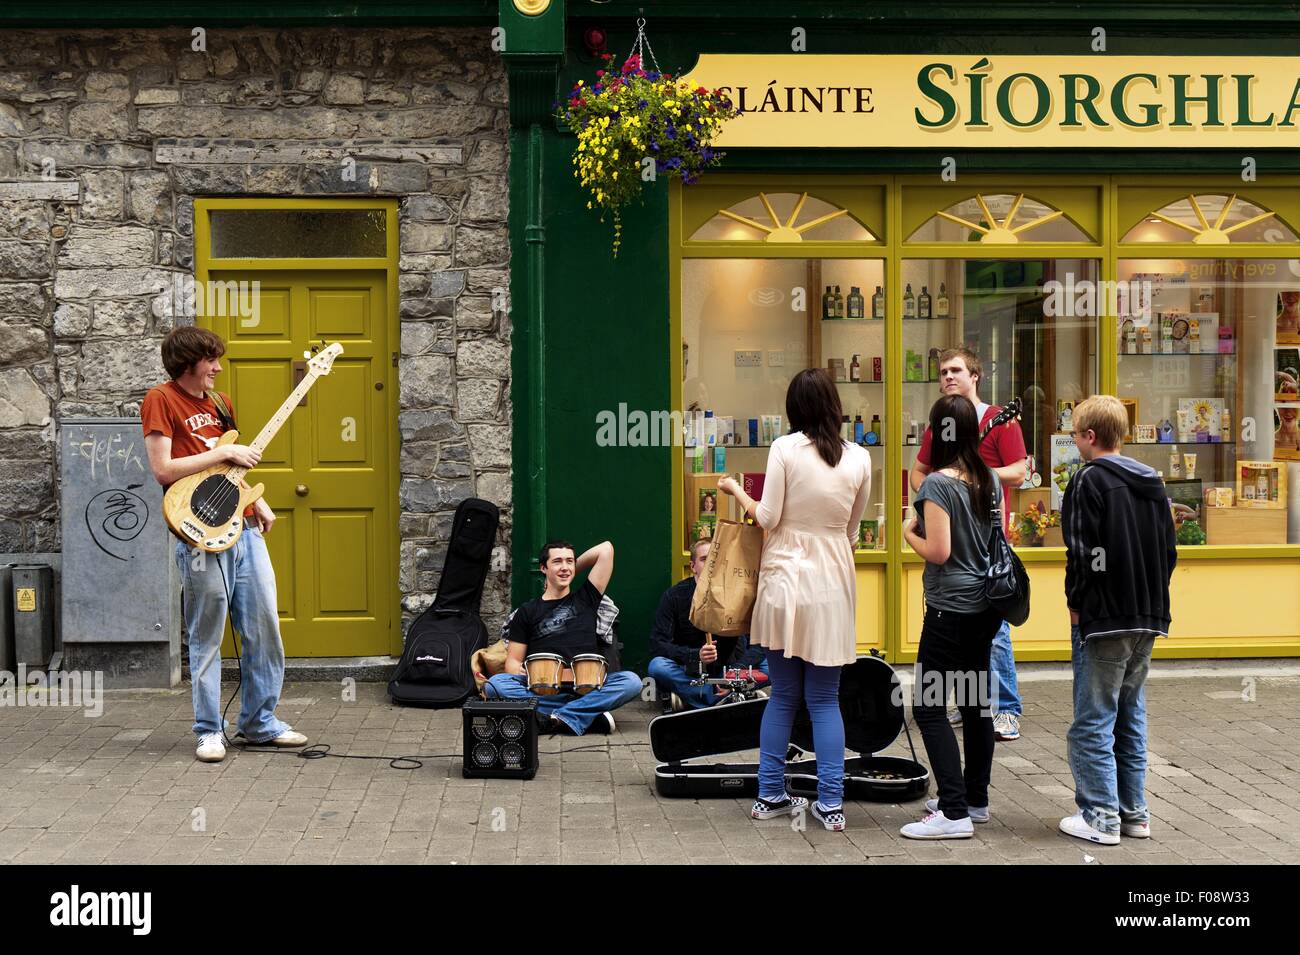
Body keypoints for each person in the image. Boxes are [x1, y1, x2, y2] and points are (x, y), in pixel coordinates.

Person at [141, 327, 307, 763]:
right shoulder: (160, 399)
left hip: (243, 524)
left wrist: (261, 502)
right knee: (208, 631)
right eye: (210, 360)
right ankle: (209, 729)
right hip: (197, 530)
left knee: (263, 625)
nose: (217, 367)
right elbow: (163, 469)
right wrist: (223, 455)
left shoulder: (220, 403)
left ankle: (259, 723)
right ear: (187, 363)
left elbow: (233, 466)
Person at [719, 368, 871, 832]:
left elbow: (767, 517)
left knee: (783, 695)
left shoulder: (784, 448)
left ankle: (769, 794)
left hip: (784, 581)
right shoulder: (861, 457)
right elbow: (852, 530)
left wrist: (735, 490)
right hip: (831, 583)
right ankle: (831, 803)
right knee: (825, 700)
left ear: (793, 409)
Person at [1060, 395, 1176, 846]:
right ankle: (1134, 813)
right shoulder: (1152, 481)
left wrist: (1077, 602)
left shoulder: (1088, 480)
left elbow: (1083, 553)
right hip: (1148, 614)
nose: (1074, 442)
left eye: (1074, 434)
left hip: (1105, 616)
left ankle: (1100, 816)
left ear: (1090, 436)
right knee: (1130, 713)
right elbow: (1169, 551)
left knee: (1092, 718)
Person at [909, 347, 1028, 742]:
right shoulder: (941, 422)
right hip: (948, 534)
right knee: (959, 628)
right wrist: (934, 497)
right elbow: (919, 471)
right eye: (943, 371)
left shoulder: (998, 420)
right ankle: (970, 704)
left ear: (975, 375)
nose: (948, 376)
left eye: (956, 370)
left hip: (987, 536)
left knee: (994, 628)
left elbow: (1020, 470)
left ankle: (1007, 708)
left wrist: (975, 476)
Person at [900, 395, 1005, 840]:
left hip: (948, 612)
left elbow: (939, 552)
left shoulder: (938, 486)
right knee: (975, 703)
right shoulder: (991, 480)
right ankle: (975, 801)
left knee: (928, 707)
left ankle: (953, 811)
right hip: (984, 609)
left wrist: (909, 534)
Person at [486, 539, 642, 735]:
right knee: (495, 685)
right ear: (543, 568)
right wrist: (519, 671)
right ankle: (582, 715)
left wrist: (571, 568)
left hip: (587, 688)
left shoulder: (587, 598)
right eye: (557, 561)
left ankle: (550, 718)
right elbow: (513, 662)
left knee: (632, 681)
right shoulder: (527, 611)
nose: (565, 567)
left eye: (569, 561)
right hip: (543, 689)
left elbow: (606, 549)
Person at [647, 538, 767, 712]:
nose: (711, 563)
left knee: (771, 665)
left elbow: (758, 643)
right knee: (657, 666)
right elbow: (657, 645)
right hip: (691, 673)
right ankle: (723, 699)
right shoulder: (674, 596)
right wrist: (696, 655)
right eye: (704, 559)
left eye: (715, 559)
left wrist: (734, 674)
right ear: (693, 566)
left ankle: (701, 698)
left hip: (730, 669)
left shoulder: (739, 596)